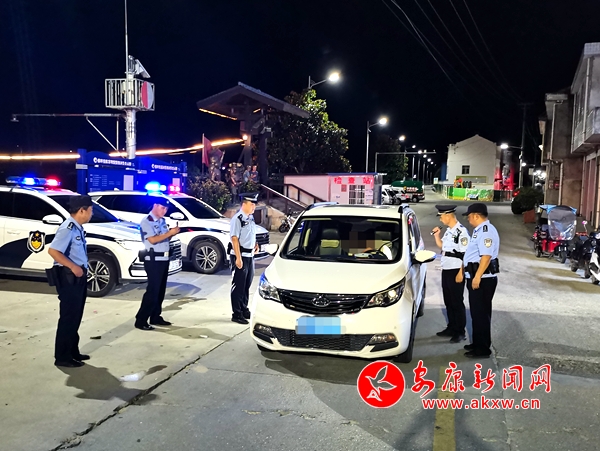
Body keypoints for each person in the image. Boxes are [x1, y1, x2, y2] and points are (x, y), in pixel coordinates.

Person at [48, 195, 94, 368]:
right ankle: (62, 356)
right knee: (68, 317)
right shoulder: (67, 228)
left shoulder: (77, 228)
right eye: (90, 210)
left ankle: (72, 351)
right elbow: (53, 251)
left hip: (77, 277)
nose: (91, 214)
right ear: (82, 210)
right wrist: (73, 267)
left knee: (75, 316)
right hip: (68, 277)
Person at [459, 203, 500, 358]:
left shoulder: (486, 231)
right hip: (478, 277)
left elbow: (486, 257)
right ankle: (478, 343)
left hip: (482, 279)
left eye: (469, 217)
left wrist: (477, 277)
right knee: (477, 314)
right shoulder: (480, 231)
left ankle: (482, 349)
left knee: (480, 315)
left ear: (476, 215)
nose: (468, 220)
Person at [135, 197, 180, 331]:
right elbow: (153, 240)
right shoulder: (147, 221)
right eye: (162, 208)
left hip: (163, 259)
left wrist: (172, 234)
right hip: (153, 259)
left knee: (160, 291)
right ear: (155, 205)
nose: (164, 211)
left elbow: (164, 238)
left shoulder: (162, 221)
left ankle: (155, 316)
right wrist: (169, 233)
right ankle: (141, 319)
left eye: (166, 209)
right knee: (153, 291)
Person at [432, 205, 470, 343]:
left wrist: (461, 272)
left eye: (441, 216)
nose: (440, 219)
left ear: (448, 215)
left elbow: (466, 255)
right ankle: (451, 327)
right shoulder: (449, 231)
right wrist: (437, 236)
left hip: (456, 270)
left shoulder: (462, 232)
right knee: (448, 301)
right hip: (446, 269)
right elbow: (443, 247)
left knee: (456, 302)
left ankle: (460, 332)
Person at [229, 193, 260, 324]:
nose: (254, 207)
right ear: (244, 204)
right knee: (239, 285)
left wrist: (255, 244)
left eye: (254, 204)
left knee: (247, 284)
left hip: (250, 255)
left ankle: (243, 308)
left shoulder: (250, 218)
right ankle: (236, 313)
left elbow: (251, 234)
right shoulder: (238, 219)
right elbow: (234, 239)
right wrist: (238, 258)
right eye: (251, 204)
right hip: (240, 255)